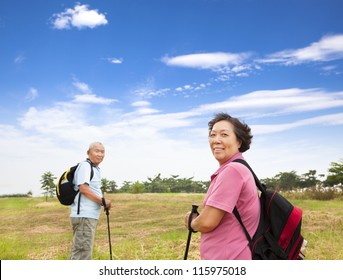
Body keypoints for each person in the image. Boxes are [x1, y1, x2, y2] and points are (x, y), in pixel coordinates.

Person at [184, 113, 260, 260]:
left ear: (239, 141)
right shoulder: (239, 168)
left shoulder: (233, 171)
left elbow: (207, 222)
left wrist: (192, 223)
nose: (216, 140)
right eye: (213, 135)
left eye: (224, 134)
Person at [69, 142, 112, 260]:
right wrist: (102, 201)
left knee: (80, 252)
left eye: (102, 152)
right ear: (88, 153)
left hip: (88, 216)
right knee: (82, 254)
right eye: (97, 151)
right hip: (85, 216)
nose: (100, 154)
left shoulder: (95, 168)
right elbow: (83, 188)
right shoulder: (85, 166)